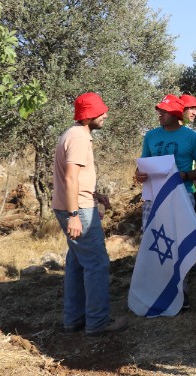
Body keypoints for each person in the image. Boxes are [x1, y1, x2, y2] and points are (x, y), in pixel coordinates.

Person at [53, 92, 128, 336]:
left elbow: (74, 178)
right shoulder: (79, 138)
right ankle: (97, 322)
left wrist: (94, 195)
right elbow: (70, 176)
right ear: (88, 116)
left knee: (76, 264)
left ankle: (73, 319)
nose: (105, 115)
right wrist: (75, 214)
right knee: (96, 264)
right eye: (100, 112)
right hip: (78, 210)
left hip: (77, 204)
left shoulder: (74, 134)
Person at [135, 94, 196, 227]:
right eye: (160, 111)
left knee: (182, 241)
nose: (160, 115)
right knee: (152, 240)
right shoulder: (150, 136)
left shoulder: (192, 137)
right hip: (153, 197)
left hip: (182, 195)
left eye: (165, 112)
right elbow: (143, 165)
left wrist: (185, 175)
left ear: (176, 114)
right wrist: (139, 174)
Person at [179, 94, 196, 211]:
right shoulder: (176, 134)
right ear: (181, 109)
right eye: (191, 108)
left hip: (190, 188)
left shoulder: (189, 134)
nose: (195, 113)